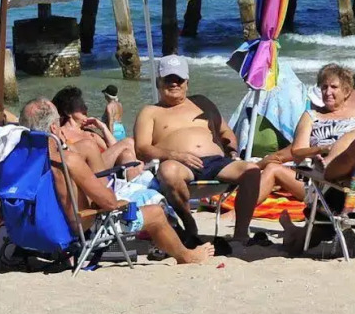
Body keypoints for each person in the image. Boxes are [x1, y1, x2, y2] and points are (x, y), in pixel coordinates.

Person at [20, 98, 214, 265]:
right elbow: (109, 202)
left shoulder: (22, 161)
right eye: (58, 124)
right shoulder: (68, 160)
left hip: (36, 227)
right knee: (155, 213)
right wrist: (118, 202)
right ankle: (187, 256)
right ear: (54, 128)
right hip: (82, 229)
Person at [243, 64, 355, 232]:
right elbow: (297, 151)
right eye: (324, 87)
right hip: (317, 180)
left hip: (352, 177)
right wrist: (321, 149)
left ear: (347, 91)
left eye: (334, 87)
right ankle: (239, 215)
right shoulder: (312, 115)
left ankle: (293, 230)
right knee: (273, 169)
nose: (327, 92)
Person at [133, 55, 258, 244]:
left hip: (217, 162)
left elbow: (226, 131)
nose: (174, 83)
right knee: (168, 172)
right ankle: (189, 223)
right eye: (168, 79)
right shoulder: (150, 111)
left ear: (187, 82)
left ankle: (241, 232)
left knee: (252, 171)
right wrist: (175, 156)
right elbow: (141, 149)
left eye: (179, 79)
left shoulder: (202, 102)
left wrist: (232, 150)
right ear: (159, 82)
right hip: (179, 165)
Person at [53, 86, 139, 169]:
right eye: (81, 106)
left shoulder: (89, 132)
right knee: (128, 142)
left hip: (104, 169)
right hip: (88, 170)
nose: (86, 108)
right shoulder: (60, 133)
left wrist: (103, 127)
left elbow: (114, 147)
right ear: (68, 111)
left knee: (127, 155)